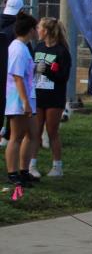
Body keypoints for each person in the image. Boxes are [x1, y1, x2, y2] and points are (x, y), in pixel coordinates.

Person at [28, 18, 71, 178]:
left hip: (54, 97)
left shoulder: (62, 51)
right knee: (35, 131)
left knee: (52, 131)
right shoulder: (38, 47)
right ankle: (31, 165)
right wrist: (34, 69)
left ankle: (57, 166)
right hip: (38, 95)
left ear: (46, 31)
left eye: (39, 28)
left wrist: (46, 70)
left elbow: (63, 77)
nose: (37, 30)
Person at [5, 12, 37, 187]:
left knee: (32, 134)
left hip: (27, 97)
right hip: (17, 98)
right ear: (30, 30)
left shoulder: (24, 47)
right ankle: (12, 173)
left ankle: (24, 170)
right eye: (35, 28)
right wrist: (25, 102)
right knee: (16, 137)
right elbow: (17, 77)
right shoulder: (17, 48)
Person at [0, 0, 25, 148]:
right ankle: (8, 135)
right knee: (12, 105)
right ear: (21, 10)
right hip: (11, 72)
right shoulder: (17, 28)